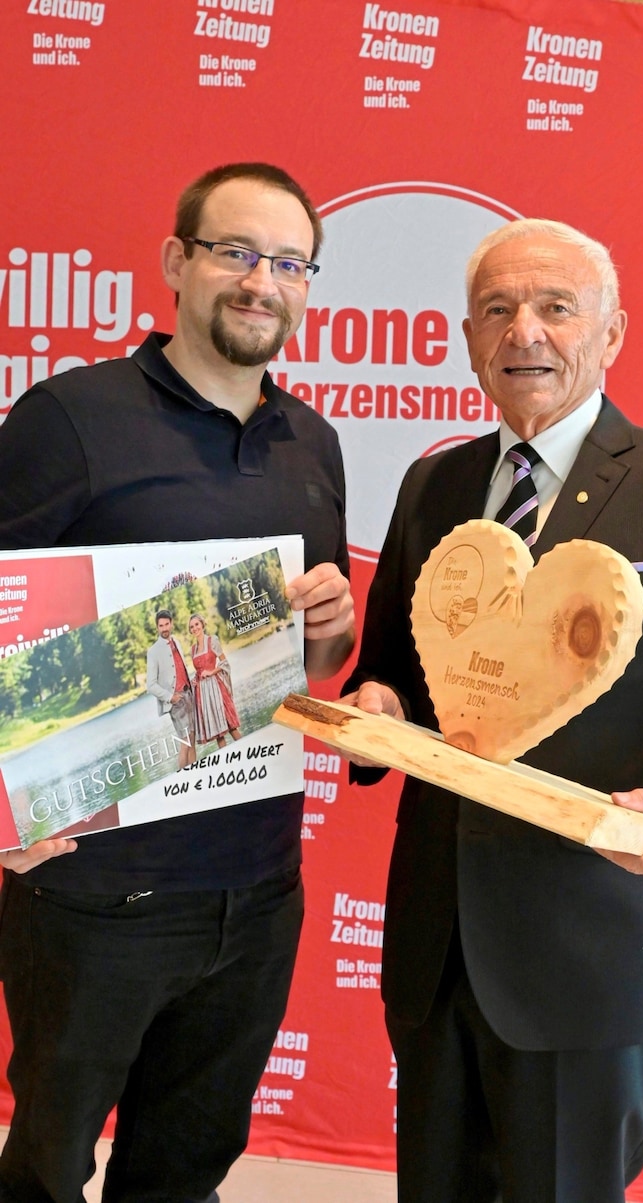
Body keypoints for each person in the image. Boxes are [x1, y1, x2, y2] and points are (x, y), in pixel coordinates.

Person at [342, 218, 643, 1203]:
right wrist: (371, 705)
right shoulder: (433, 485)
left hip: (588, 961)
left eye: (555, 307)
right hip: (435, 958)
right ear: (467, 339)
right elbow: (388, 677)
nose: (525, 334)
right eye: (497, 310)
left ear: (610, 334)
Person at [0, 162, 355, 1203]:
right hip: (93, 890)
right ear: (176, 263)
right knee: (50, 1166)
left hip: (256, 889)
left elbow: (311, 664)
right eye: (234, 252)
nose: (261, 282)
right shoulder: (68, 419)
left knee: (186, 1168)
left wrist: (329, 637)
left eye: (288, 263)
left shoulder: (315, 445)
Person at [146, 607, 198, 767]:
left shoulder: (176, 641)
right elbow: (150, 685)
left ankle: (196, 775)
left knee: (192, 739)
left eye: (166, 624)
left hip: (188, 694)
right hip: (175, 701)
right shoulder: (153, 651)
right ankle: (182, 781)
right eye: (161, 626)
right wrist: (171, 697)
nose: (164, 628)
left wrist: (191, 682)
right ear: (157, 627)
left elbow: (180, 667)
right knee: (185, 742)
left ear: (171, 624)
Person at [188, 612, 242, 750]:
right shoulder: (192, 649)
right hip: (203, 693)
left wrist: (211, 671)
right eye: (192, 627)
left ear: (202, 624)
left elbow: (224, 663)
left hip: (216, 689)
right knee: (219, 734)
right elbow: (199, 670)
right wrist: (195, 680)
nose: (194, 628)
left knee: (230, 726)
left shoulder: (213, 641)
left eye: (196, 624)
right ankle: (229, 762)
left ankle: (247, 751)